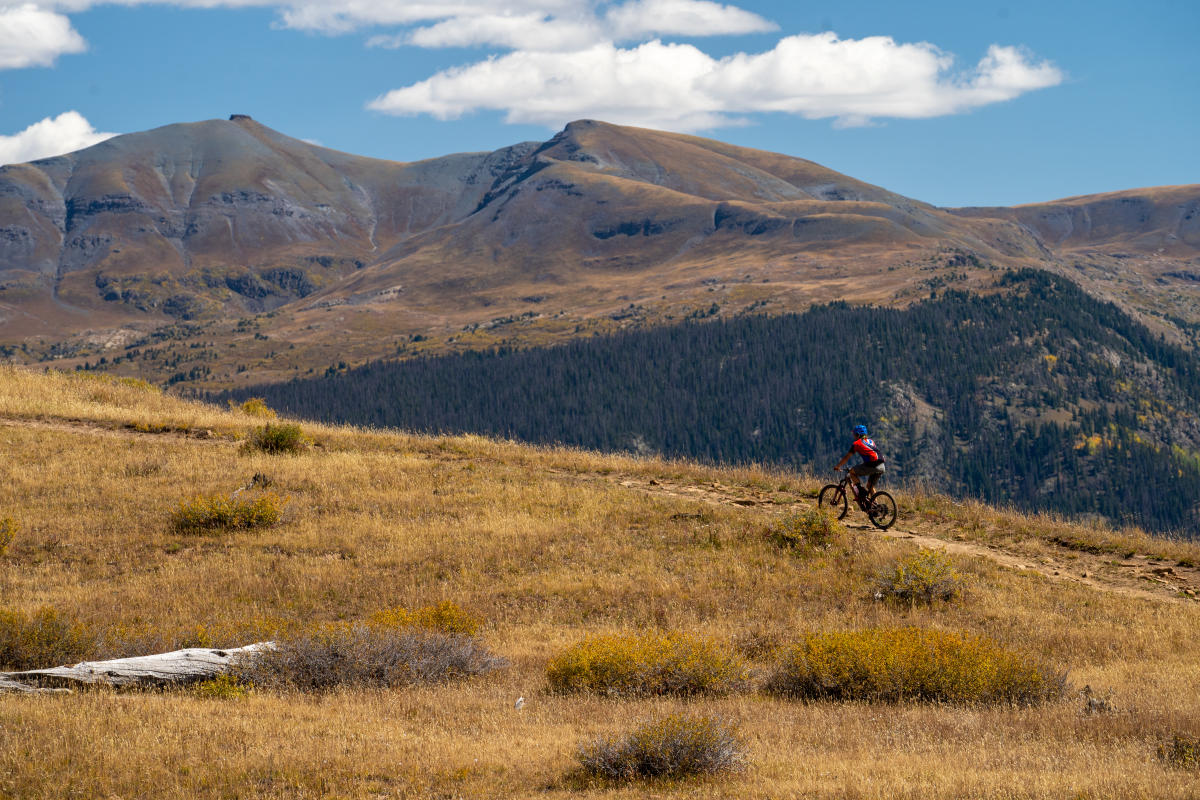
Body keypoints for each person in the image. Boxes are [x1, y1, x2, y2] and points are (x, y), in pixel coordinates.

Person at [834, 424, 885, 507]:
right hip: (881, 466)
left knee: (851, 473)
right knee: (870, 486)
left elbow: (847, 457)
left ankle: (861, 491)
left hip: (873, 465)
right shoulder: (871, 441)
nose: (853, 436)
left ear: (858, 434)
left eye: (854, 434)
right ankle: (875, 506)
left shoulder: (856, 444)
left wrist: (838, 466)